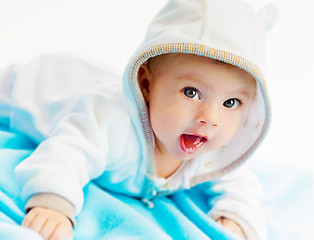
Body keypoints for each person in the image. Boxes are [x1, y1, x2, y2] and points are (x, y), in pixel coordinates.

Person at [0, 0, 275, 239]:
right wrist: (53, 203)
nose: (209, 118)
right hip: (43, 83)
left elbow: (240, 182)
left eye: (230, 103)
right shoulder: (110, 120)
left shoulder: (214, 151)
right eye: (191, 93)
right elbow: (67, 152)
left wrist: (237, 217)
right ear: (145, 84)